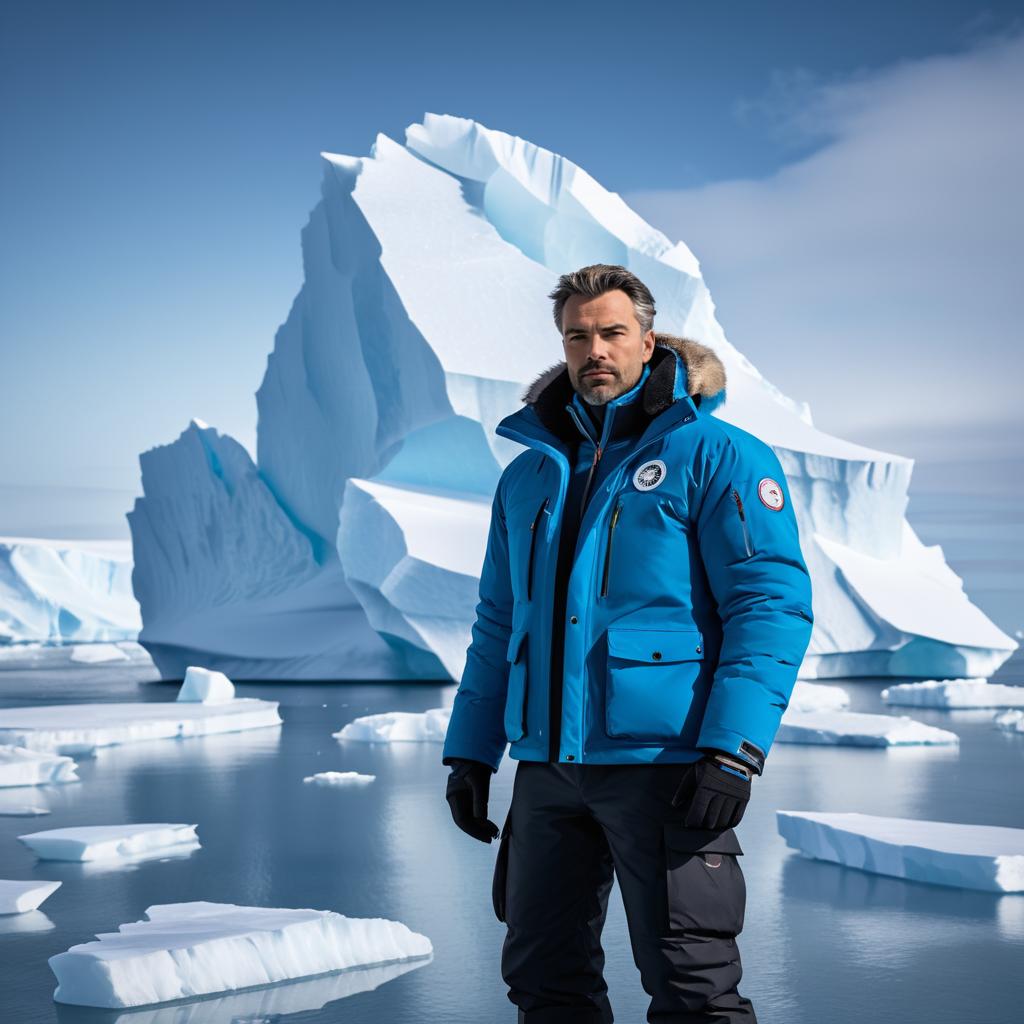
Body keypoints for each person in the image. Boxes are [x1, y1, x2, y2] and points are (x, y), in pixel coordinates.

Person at [442, 263, 814, 1023]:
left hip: (667, 768)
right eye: (578, 336)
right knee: (543, 978)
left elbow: (769, 605)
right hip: (547, 771)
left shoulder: (720, 456)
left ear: (649, 339)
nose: (595, 350)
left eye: (612, 332)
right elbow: (496, 624)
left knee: (693, 987)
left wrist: (733, 749)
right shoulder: (528, 478)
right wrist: (471, 751)